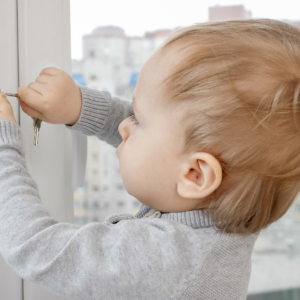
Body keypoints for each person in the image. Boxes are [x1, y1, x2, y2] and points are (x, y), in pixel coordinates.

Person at [0, 18, 300, 300]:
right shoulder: (227, 214)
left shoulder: (166, 258)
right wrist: (80, 106)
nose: (123, 126)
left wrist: (5, 148)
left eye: (138, 120)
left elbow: (35, 248)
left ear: (196, 175)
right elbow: (166, 150)